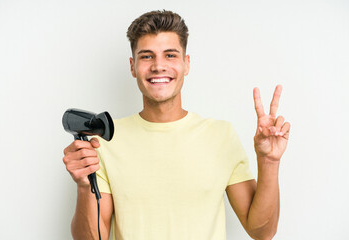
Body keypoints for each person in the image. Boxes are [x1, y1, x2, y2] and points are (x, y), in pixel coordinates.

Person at [63, 10, 290, 240]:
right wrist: (84, 186)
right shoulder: (104, 142)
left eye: (170, 55)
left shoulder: (221, 136)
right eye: (147, 56)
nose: (158, 66)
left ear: (186, 63)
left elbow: (262, 232)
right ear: (132, 66)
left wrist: (269, 161)